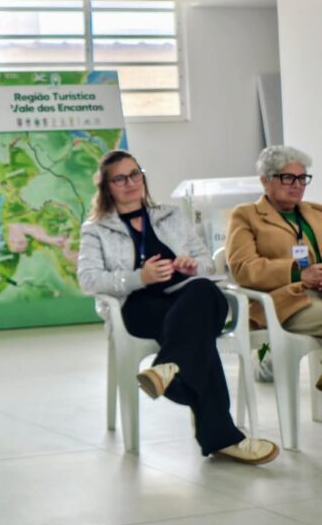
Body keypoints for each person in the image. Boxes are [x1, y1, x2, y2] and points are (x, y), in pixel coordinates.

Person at [78, 149, 278, 464]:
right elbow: (88, 280)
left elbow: (206, 264)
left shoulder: (170, 215)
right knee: (199, 335)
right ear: (107, 187)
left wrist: (190, 266)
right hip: (137, 306)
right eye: (120, 178)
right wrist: (138, 277)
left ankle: (168, 368)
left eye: (135, 174)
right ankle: (223, 437)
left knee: (203, 292)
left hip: (183, 297)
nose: (131, 183)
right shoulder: (96, 229)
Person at [227, 145, 322, 352]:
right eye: (288, 178)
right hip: (284, 302)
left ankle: (270, 364)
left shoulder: (316, 212)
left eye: (302, 178)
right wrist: (299, 274)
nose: (297, 185)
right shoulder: (246, 215)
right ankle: (268, 361)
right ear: (265, 180)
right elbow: (243, 268)